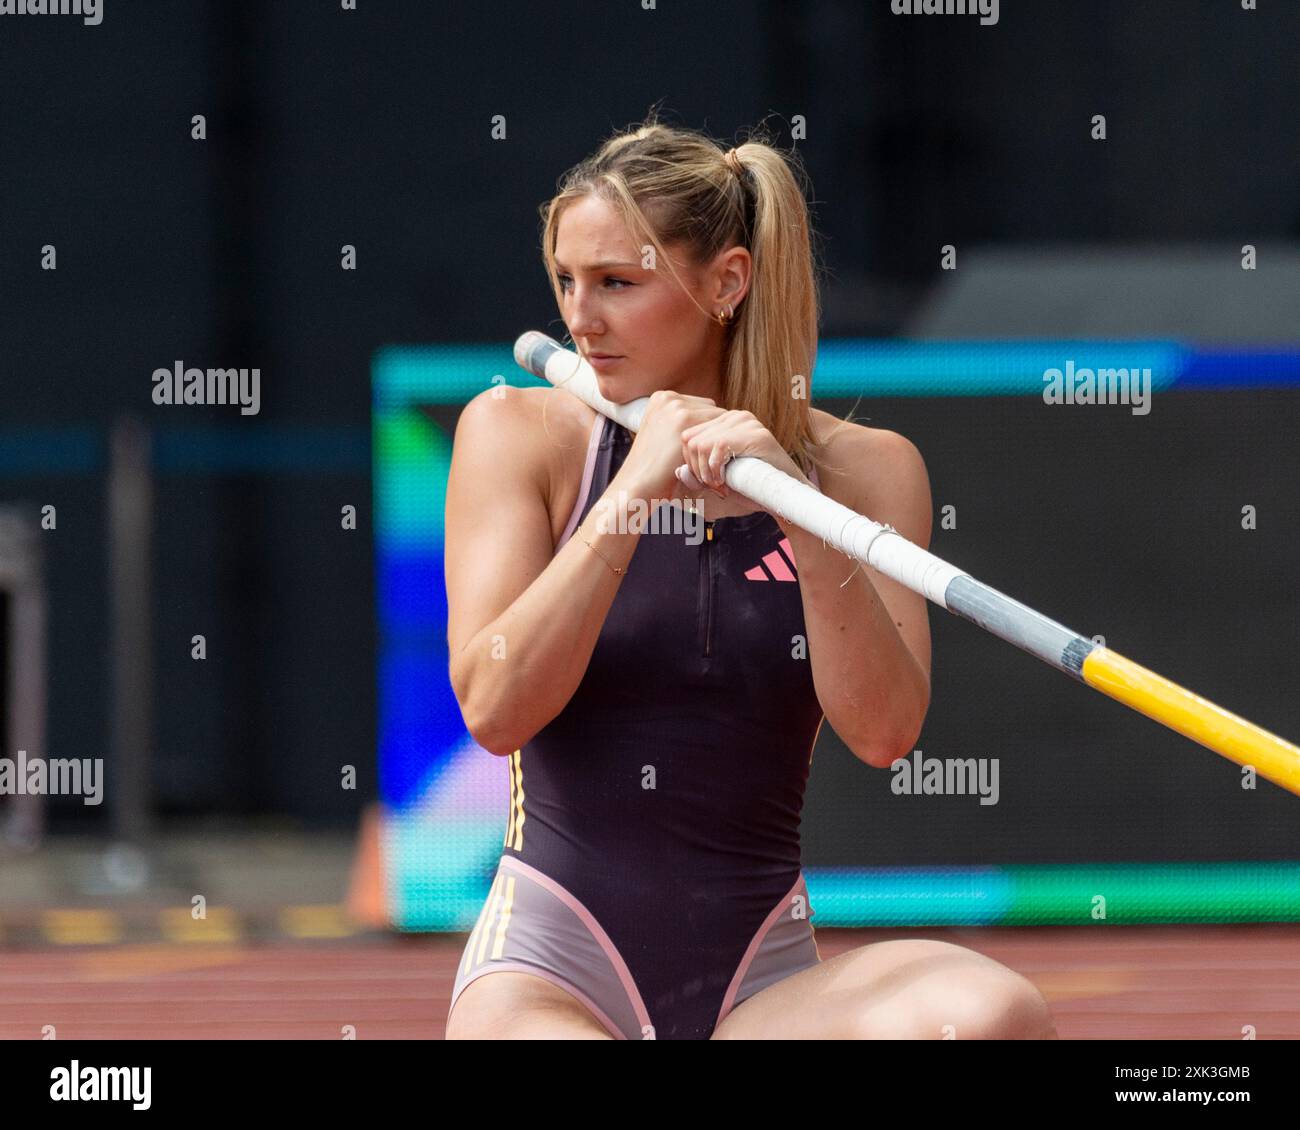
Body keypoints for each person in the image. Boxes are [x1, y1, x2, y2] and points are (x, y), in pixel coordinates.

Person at [443, 112, 1057, 1040]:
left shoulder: (866, 471)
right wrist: (635, 489)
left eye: (617, 282)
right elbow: (494, 706)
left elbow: (886, 732)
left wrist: (807, 523)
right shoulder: (517, 434)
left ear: (726, 282)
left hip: (762, 983)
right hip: (552, 972)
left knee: (990, 1014)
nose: (580, 317)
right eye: (567, 282)